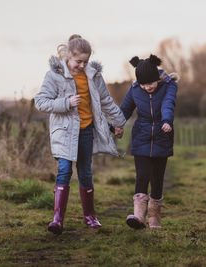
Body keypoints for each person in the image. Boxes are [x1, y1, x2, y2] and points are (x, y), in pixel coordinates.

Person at [34, 34, 126, 234]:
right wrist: (66, 103)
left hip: (86, 131)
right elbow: (41, 102)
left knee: (85, 172)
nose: (82, 65)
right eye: (78, 61)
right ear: (68, 56)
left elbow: (106, 102)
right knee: (65, 170)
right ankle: (57, 219)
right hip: (64, 133)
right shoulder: (54, 76)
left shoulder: (93, 76)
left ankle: (90, 217)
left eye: (85, 61)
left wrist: (119, 122)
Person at [116, 54, 178, 229]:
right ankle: (138, 217)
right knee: (142, 175)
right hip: (141, 137)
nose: (147, 87)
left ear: (157, 78)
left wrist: (166, 121)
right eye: (143, 84)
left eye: (150, 83)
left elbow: (168, 103)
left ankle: (154, 218)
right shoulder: (135, 89)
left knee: (157, 179)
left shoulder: (169, 86)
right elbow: (125, 109)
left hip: (162, 135)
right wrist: (116, 126)